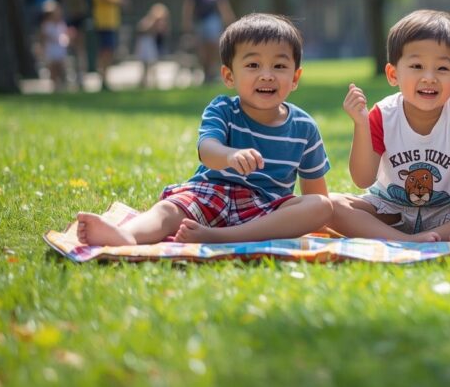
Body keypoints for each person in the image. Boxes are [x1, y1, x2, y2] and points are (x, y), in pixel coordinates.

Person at [76, 13, 334, 245]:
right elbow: (207, 149)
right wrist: (229, 156)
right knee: (168, 210)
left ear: (295, 78)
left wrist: (314, 212)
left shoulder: (304, 127)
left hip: (264, 211)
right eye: (253, 65)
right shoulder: (223, 109)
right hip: (211, 194)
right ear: (229, 76)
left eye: (279, 66)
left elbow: (316, 196)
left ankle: (221, 238)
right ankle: (126, 235)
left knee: (322, 206)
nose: (267, 75)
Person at [328, 9, 450, 242]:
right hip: (389, 208)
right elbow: (363, 179)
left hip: (447, 209)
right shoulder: (382, 115)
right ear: (393, 74)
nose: (429, 77)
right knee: (332, 205)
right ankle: (404, 239)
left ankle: (423, 237)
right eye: (417, 66)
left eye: (442, 68)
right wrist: (361, 124)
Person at [182, 0, 236, 83]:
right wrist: (187, 24)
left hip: (212, 20)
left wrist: (230, 21)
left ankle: (211, 71)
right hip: (199, 21)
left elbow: (223, 5)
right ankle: (206, 72)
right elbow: (188, 7)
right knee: (201, 49)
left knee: (214, 44)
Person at [91, 0, 129, 91]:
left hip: (112, 20)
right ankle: (103, 79)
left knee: (109, 50)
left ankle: (106, 79)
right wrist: (119, 0)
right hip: (103, 20)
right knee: (105, 50)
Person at [135, 3, 171, 88]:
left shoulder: (159, 23)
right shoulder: (147, 21)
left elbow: (164, 33)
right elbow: (141, 30)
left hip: (151, 44)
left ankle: (153, 82)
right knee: (145, 65)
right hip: (145, 44)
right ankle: (143, 82)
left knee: (152, 64)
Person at [39, 0, 70, 91]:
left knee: (61, 67)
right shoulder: (46, 25)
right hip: (51, 49)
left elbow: (65, 34)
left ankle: (62, 85)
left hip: (60, 48)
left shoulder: (61, 24)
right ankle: (55, 86)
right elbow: (43, 38)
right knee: (53, 68)